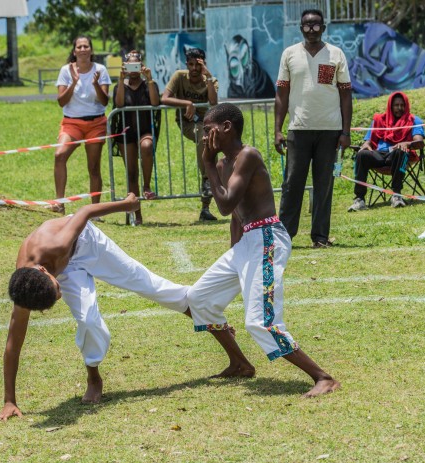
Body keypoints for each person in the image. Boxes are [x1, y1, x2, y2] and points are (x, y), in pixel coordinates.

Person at [188, 102, 340, 397]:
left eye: (209, 130)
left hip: (267, 237)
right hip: (247, 242)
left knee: (259, 321)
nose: (205, 137)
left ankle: (323, 377)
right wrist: (235, 254)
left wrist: (206, 163)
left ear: (227, 128)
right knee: (198, 298)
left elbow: (225, 204)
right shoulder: (222, 164)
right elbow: (235, 216)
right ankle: (240, 363)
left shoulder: (247, 155)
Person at [0, 193, 192, 422]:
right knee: (88, 320)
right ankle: (94, 377)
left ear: (43, 272)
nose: (60, 297)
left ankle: (195, 306)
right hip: (66, 268)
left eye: (56, 290)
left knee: (145, 283)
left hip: (87, 243)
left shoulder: (55, 243)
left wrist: (127, 206)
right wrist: (9, 400)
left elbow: (85, 212)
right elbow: (13, 344)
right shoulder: (25, 290)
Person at [274, 9, 352, 249]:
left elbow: (346, 95)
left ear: (323, 28)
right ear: (301, 28)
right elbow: (281, 95)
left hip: (330, 129)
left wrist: (345, 132)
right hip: (298, 129)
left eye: (316, 25)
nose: (311, 30)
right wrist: (278, 130)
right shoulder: (289, 54)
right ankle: (284, 237)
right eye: (307, 25)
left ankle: (320, 237)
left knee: (324, 185)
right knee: (291, 184)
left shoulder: (336, 54)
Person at [53, 36, 112, 215]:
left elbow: (104, 101)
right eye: (80, 46)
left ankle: (95, 210)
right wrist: (74, 82)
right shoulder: (66, 70)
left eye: (86, 46)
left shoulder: (100, 69)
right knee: (59, 155)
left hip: (95, 122)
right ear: (74, 51)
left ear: (91, 51)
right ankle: (59, 203)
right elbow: (61, 102)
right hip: (72, 123)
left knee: (93, 167)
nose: (83, 49)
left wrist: (95, 84)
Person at [161, 48, 219, 221]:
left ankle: (206, 207)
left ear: (204, 64)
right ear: (187, 64)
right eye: (191, 64)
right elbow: (164, 98)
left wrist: (208, 77)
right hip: (187, 123)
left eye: (198, 65)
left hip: (209, 123)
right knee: (204, 137)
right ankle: (208, 179)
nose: (194, 68)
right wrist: (187, 103)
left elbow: (214, 101)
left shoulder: (211, 79)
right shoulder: (179, 76)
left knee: (211, 149)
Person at [348, 91, 425, 211]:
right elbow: (368, 140)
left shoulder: (414, 120)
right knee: (362, 154)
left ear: (406, 106)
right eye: (396, 105)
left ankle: (397, 195)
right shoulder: (379, 120)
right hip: (379, 155)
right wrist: (365, 145)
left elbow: (419, 142)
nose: (399, 108)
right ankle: (359, 199)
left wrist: (407, 143)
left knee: (401, 151)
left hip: (399, 155)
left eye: (402, 105)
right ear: (390, 106)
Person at [112, 50, 161, 225]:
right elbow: (118, 104)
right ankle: (137, 215)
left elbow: (155, 103)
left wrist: (149, 78)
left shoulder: (149, 83)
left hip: (145, 129)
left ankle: (146, 185)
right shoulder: (120, 85)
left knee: (147, 146)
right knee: (131, 174)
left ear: (142, 66)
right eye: (130, 65)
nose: (133, 69)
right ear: (125, 66)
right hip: (126, 132)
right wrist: (120, 79)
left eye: (136, 65)